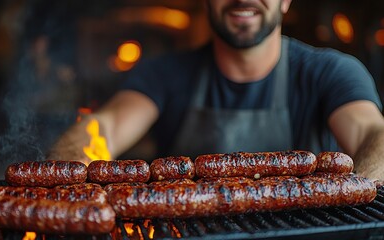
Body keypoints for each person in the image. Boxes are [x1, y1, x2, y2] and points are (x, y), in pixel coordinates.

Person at [49, 0, 384, 181]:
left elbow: (372, 131)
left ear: (285, 2)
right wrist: (71, 174)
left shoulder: (330, 72)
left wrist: (359, 186)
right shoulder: (164, 74)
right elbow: (104, 126)